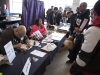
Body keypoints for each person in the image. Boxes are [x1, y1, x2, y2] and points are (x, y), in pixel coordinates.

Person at [70, 1, 100, 75]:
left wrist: (72, 69)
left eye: (81, 6)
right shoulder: (80, 15)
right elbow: (75, 25)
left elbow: (84, 56)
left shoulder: (94, 30)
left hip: (89, 69)